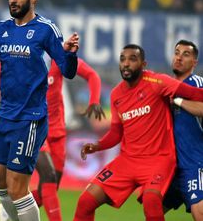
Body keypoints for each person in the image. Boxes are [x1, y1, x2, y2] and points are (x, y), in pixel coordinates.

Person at [0, 0, 79, 221]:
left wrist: (70, 54)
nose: (13, 0)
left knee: (18, 187)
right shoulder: (2, 29)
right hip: (4, 117)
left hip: (29, 118)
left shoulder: (46, 30)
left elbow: (68, 71)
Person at [75, 44, 203, 221]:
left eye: (132, 59)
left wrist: (179, 100)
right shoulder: (116, 95)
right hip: (128, 161)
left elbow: (197, 94)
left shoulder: (159, 82)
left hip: (158, 159)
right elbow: (116, 133)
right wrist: (98, 146)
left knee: (152, 200)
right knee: (85, 201)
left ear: (143, 64)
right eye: (122, 59)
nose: (126, 64)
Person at [0, 58, 103, 221]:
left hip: (57, 131)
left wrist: (94, 100)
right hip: (32, 127)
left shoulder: (58, 57)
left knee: (50, 186)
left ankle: (7, 212)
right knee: (48, 175)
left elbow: (92, 75)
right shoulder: (14, 60)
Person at [163, 40, 203, 220]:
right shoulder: (168, 87)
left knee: (199, 212)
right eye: (177, 52)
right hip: (173, 167)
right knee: (153, 206)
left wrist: (177, 101)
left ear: (194, 62)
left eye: (185, 54)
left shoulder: (196, 82)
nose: (179, 57)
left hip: (195, 163)